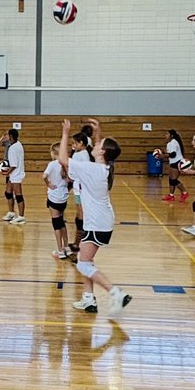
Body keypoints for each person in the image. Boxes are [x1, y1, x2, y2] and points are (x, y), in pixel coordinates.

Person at [59, 117, 131, 318]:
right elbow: (101, 152)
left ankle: (116, 293)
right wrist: (98, 131)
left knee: (83, 263)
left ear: (102, 152)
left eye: (98, 143)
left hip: (97, 223)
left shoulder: (92, 170)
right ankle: (88, 299)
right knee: (85, 260)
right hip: (101, 221)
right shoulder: (103, 168)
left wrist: (65, 133)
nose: (95, 143)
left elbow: (63, 160)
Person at [68, 124, 93, 254]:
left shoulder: (78, 155)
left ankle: (79, 244)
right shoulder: (86, 154)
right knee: (80, 214)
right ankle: (78, 243)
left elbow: (73, 174)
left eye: (74, 143)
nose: (73, 145)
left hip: (80, 188)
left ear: (81, 143)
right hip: (83, 188)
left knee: (80, 216)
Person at [43, 142, 71, 259]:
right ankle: (66, 247)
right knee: (62, 222)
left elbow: (44, 176)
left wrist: (48, 184)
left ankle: (59, 250)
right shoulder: (67, 164)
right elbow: (70, 179)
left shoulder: (52, 164)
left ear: (54, 153)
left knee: (56, 224)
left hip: (54, 197)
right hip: (63, 197)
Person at [2, 128, 26, 224]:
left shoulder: (12, 148)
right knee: (8, 193)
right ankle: (11, 213)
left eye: (7, 135)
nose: (6, 136)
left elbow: (14, 165)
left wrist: (6, 172)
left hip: (16, 175)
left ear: (11, 136)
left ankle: (21, 217)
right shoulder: (18, 144)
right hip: (14, 174)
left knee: (18, 196)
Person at [160, 128, 189, 202]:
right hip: (174, 163)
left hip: (177, 162)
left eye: (167, 134)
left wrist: (163, 155)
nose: (165, 135)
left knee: (174, 180)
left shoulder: (173, 142)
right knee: (171, 179)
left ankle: (184, 192)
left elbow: (173, 154)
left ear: (172, 135)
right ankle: (171, 195)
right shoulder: (170, 143)